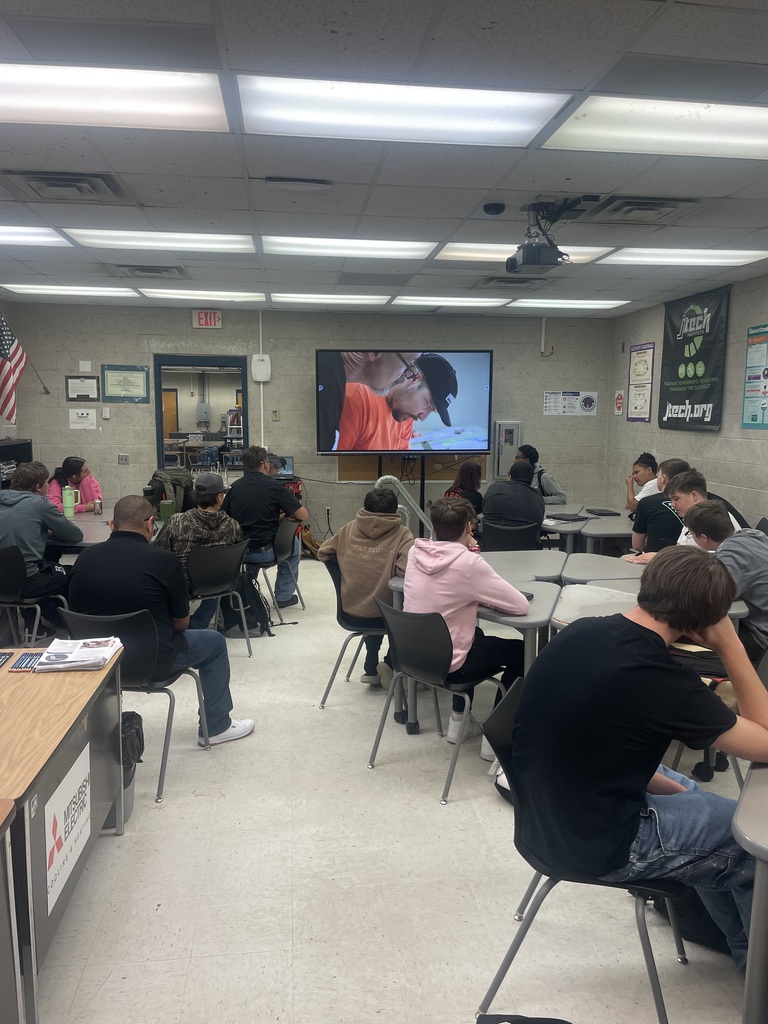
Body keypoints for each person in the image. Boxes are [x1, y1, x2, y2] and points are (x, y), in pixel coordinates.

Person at [508, 545, 768, 971]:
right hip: (600, 844)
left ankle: (734, 938)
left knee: (694, 795)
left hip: (545, 818)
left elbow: (592, 741)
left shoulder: (581, 631)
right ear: (703, 622)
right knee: (751, 848)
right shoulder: (663, 680)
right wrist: (729, 643)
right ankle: (754, 972)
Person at [68, 495, 253, 746]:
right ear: (150, 523)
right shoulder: (164, 561)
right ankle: (217, 726)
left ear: (112, 525)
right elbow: (181, 624)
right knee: (215, 642)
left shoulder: (84, 559)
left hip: (96, 663)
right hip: (150, 664)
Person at [404, 497, 529, 760]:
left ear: (435, 528)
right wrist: (472, 558)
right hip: (452, 663)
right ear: (469, 528)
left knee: (476, 636)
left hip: (415, 656)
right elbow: (519, 606)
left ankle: (458, 722)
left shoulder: (416, 552)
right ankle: (495, 736)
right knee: (523, 651)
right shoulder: (470, 563)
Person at [318, 487, 413, 685]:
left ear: (365, 508)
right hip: (386, 617)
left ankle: (371, 668)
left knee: (373, 599)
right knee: (410, 611)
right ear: (395, 510)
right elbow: (406, 575)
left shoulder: (348, 528)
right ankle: (389, 663)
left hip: (350, 612)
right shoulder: (403, 535)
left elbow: (323, 552)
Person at [0, 460, 83, 635]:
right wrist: (48, 530)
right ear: (38, 486)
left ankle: (34, 626)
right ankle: (63, 622)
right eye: (46, 483)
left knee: (32, 566)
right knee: (72, 573)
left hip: (3, 580)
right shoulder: (39, 504)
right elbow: (75, 536)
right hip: (27, 582)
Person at [154, 472, 243, 630]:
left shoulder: (177, 521)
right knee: (214, 575)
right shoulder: (233, 525)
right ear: (220, 497)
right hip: (220, 583)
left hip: (183, 587)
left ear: (195, 496)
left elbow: (158, 554)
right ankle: (199, 622)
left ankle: (179, 623)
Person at [222, 445, 308, 607]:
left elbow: (223, 517)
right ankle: (283, 596)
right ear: (266, 464)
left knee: (250, 545)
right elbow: (302, 515)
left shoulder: (235, 487)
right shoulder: (275, 487)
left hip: (237, 552)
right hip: (264, 553)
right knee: (294, 547)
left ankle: (247, 590)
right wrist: (283, 516)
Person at [685, 500, 768, 663]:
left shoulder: (730, 558)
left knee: (687, 630)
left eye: (691, 534)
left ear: (702, 538)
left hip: (761, 639)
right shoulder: (752, 534)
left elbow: (711, 598)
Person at [336, 352, 458, 452]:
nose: (423, 418)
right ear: (415, 379)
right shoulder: (357, 397)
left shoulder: (405, 414)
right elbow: (333, 466)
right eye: (427, 404)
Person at [317, 350, 421, 452]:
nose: (404, 378)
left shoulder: (333, 380)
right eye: (406, 365)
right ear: (375, 352)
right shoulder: (324, 387)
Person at [626, 457, 690, 562]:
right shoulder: (702, 508)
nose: (674, 505)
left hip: (660, 562)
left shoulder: (648, 502)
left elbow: (637, 545)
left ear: (663, 478)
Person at [666, 469, 742, 547]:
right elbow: (679, 549)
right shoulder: (691, 517)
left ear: (694, 496)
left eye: (676, 499)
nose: (673, 505)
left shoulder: (717, 518)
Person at [481, 461, 545, 531]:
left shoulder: (494, 488)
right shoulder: (537, 497)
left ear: (510, 477)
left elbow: (484, 511)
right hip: (526, 541)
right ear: (531, 480)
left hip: (491, 540)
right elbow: (538, 522)